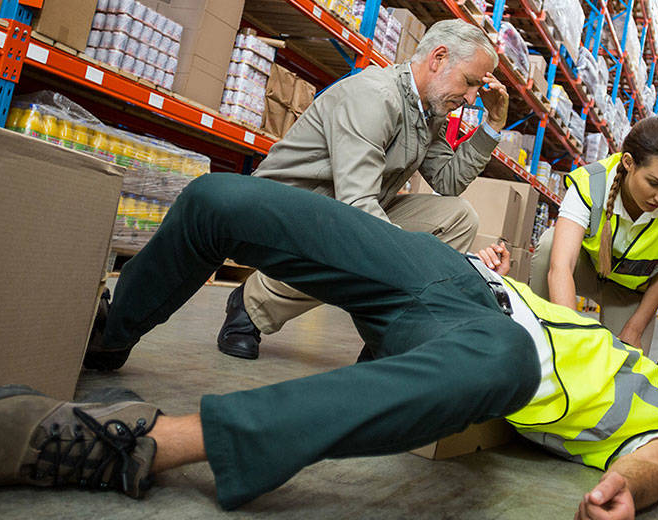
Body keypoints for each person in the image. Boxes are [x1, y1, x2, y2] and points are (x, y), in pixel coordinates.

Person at [0, 174, 658, 520]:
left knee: (503, 362)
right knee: (221, 201)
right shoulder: (619, 345)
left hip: (485, 350)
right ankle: (105, 340)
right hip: (455, 283)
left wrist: (622, 495)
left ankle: (135, 446)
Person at [204, 18, 510, 363]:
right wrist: (417, 260)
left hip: (342, 210)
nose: (472, 99)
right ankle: (252, 303)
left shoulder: (428, 113)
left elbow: (447, 182)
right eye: (469, 83)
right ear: (437, 58)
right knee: (368, 244)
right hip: (286, 211)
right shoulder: (375, 97)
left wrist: (492, 126)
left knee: (457, 217)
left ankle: (394, 332)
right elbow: (357, 205)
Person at [530, 115, 658, 353]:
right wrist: (569, 336)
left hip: (630, 293)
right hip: (587, 271)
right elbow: (561, 265)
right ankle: (540, 335)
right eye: (654, 183)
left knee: (626, 366)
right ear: (628, 162)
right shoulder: (591, 183)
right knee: (550, 244)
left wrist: (635, 328)